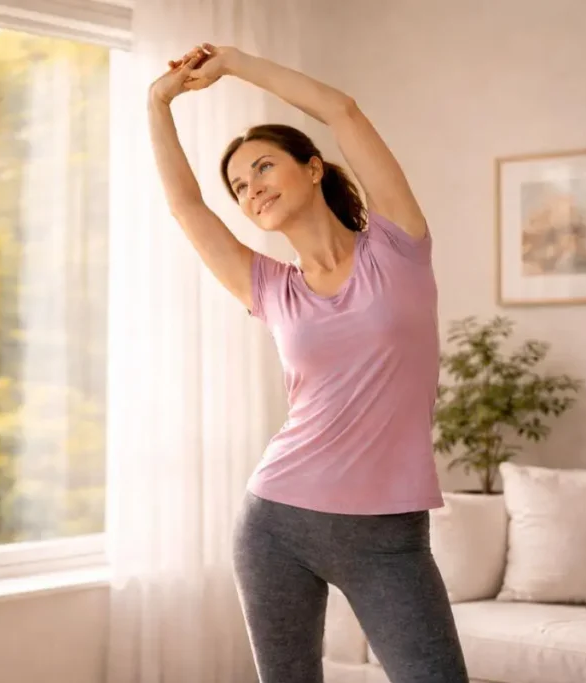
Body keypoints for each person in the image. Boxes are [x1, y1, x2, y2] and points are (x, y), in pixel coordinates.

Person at [147, 44, 470, 683]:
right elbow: (187, 207)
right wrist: (158, 103)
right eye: (240, 186)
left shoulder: (397, 246)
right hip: (276, 524)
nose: (252, 188)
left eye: (264, 167)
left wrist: (235, 63)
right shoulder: (270, 288)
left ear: (314, 167)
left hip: (387, 537)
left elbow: (343, 110)